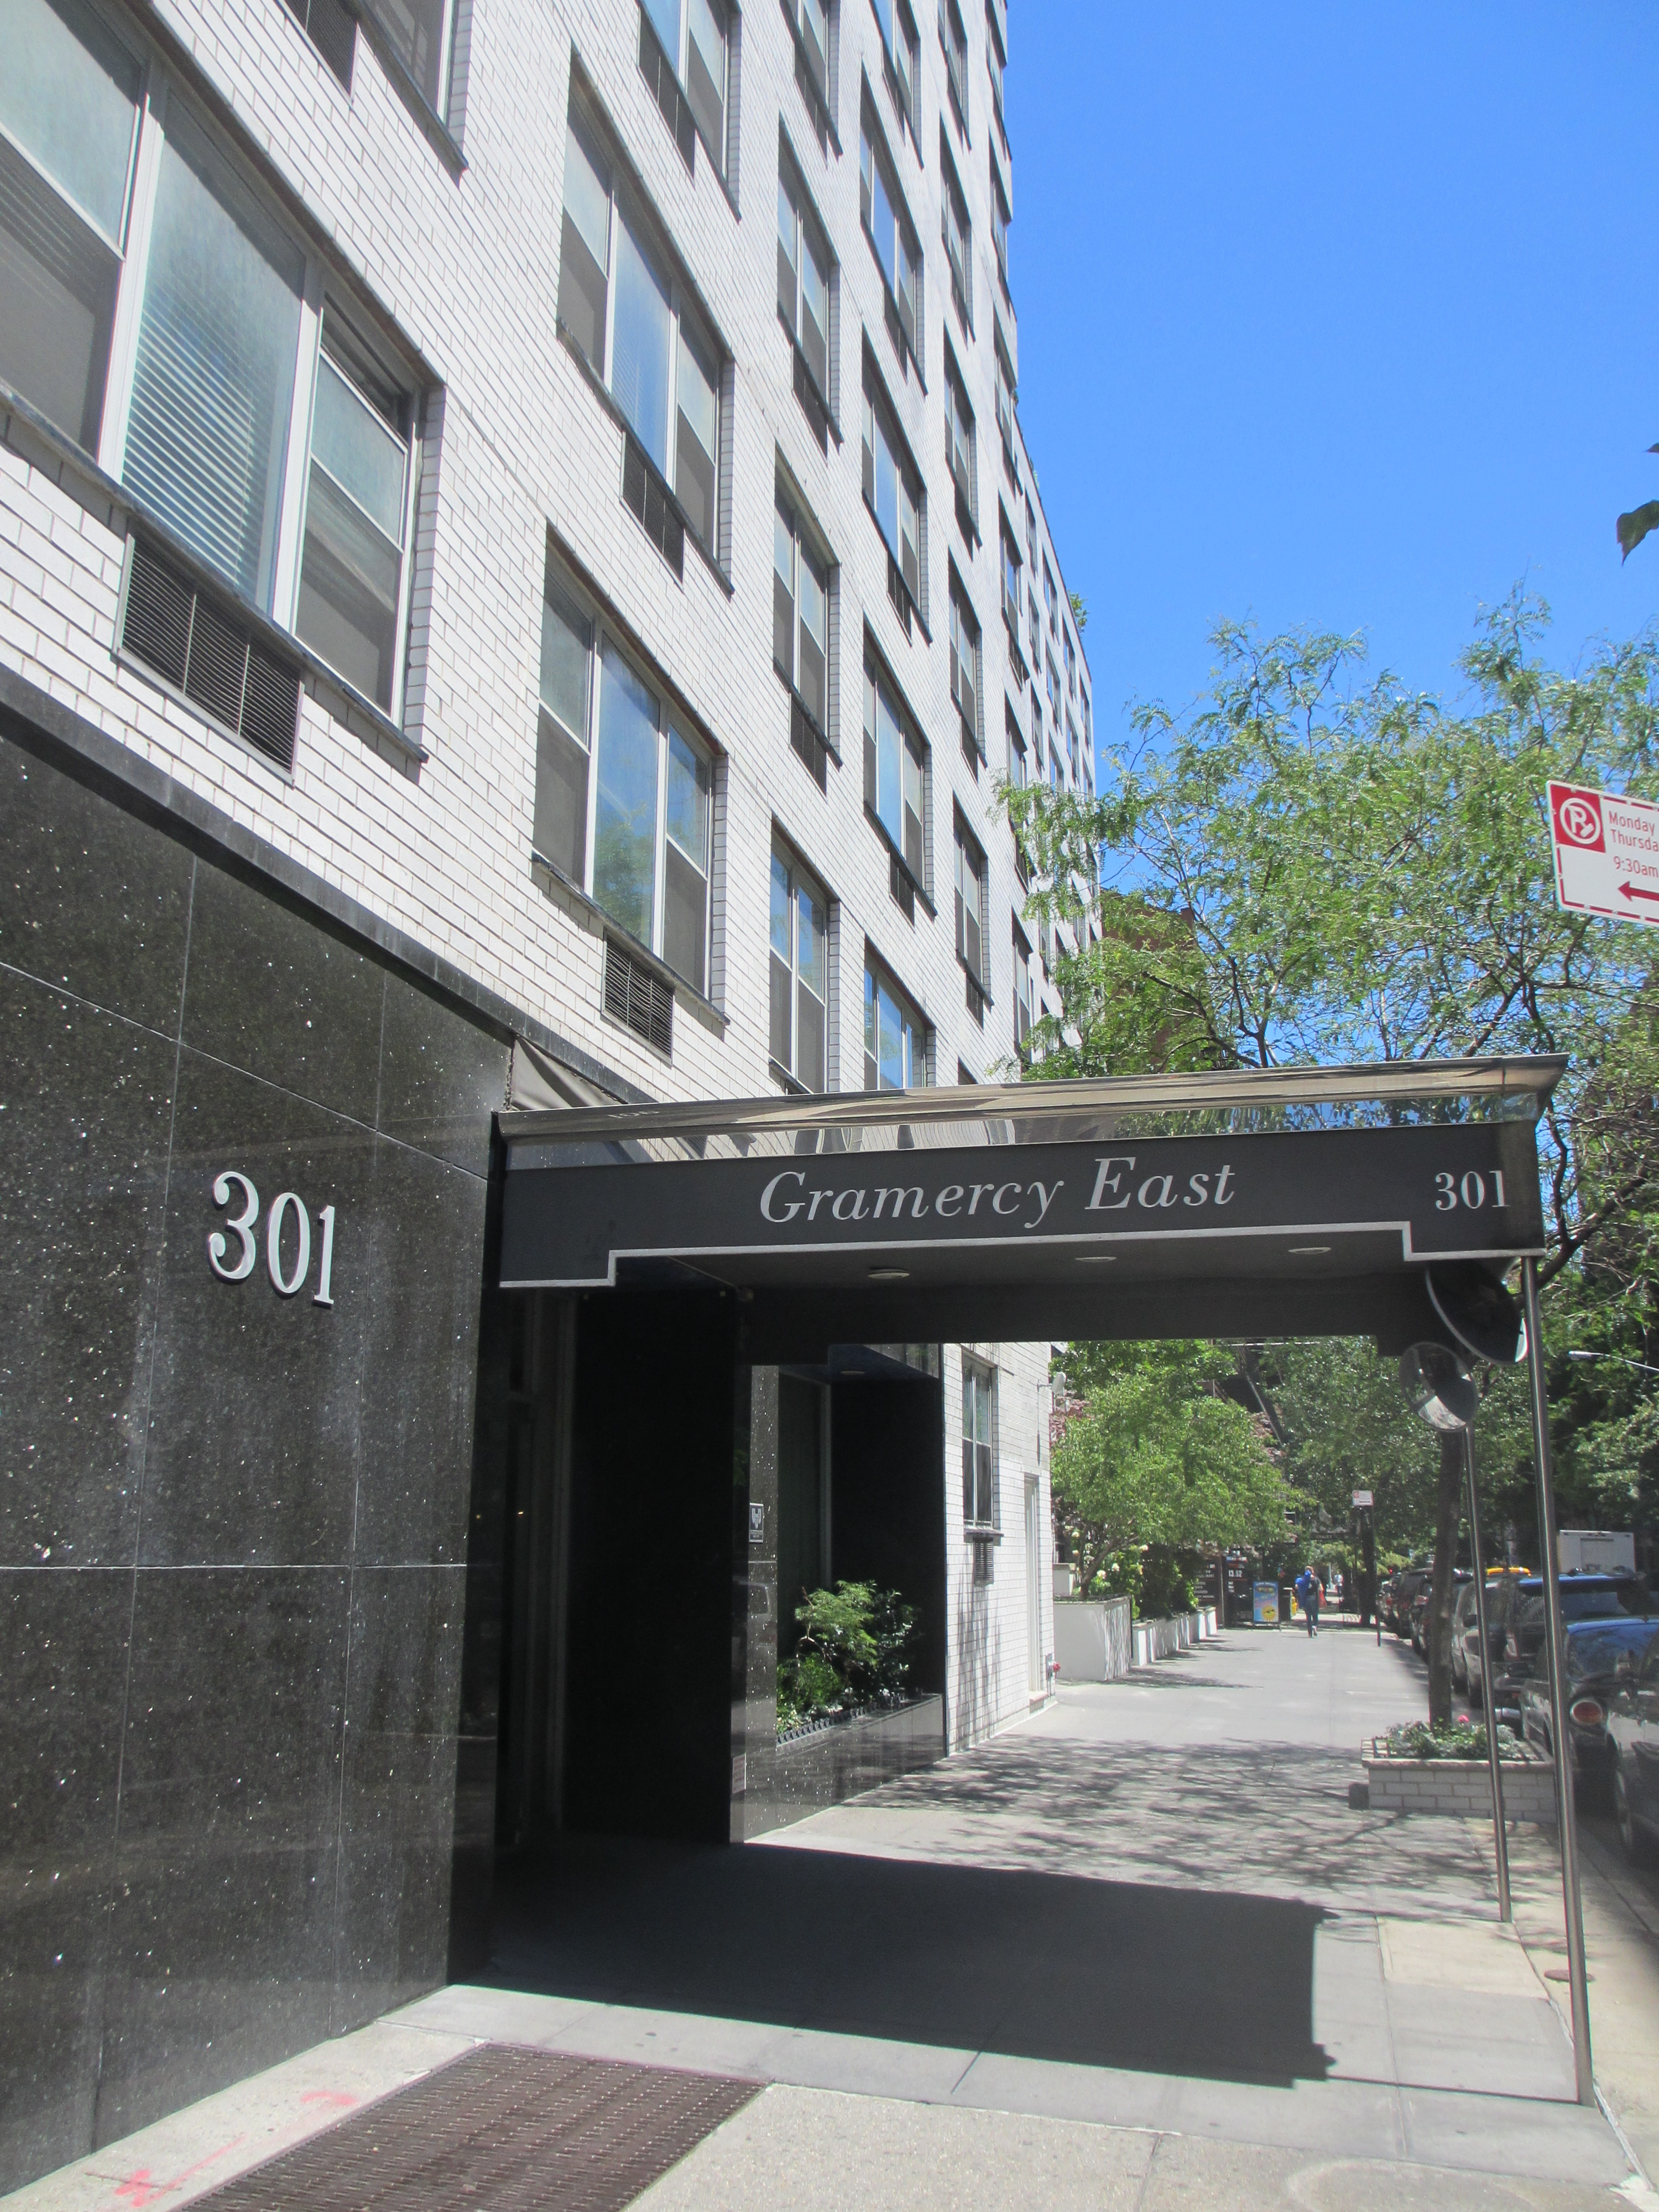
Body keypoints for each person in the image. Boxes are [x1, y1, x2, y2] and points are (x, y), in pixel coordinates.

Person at [1294, 1566, 1322, 1636]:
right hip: (1314, 1599)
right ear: (1313, 1571)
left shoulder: (1303, 1580)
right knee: (1315, 1615)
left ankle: (1310, 1633)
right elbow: (1321, 1589)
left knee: (1308, 1617)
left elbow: (1296, 1587)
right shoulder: (1316, 1579)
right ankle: (1314, 1626)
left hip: (1306, 1600)